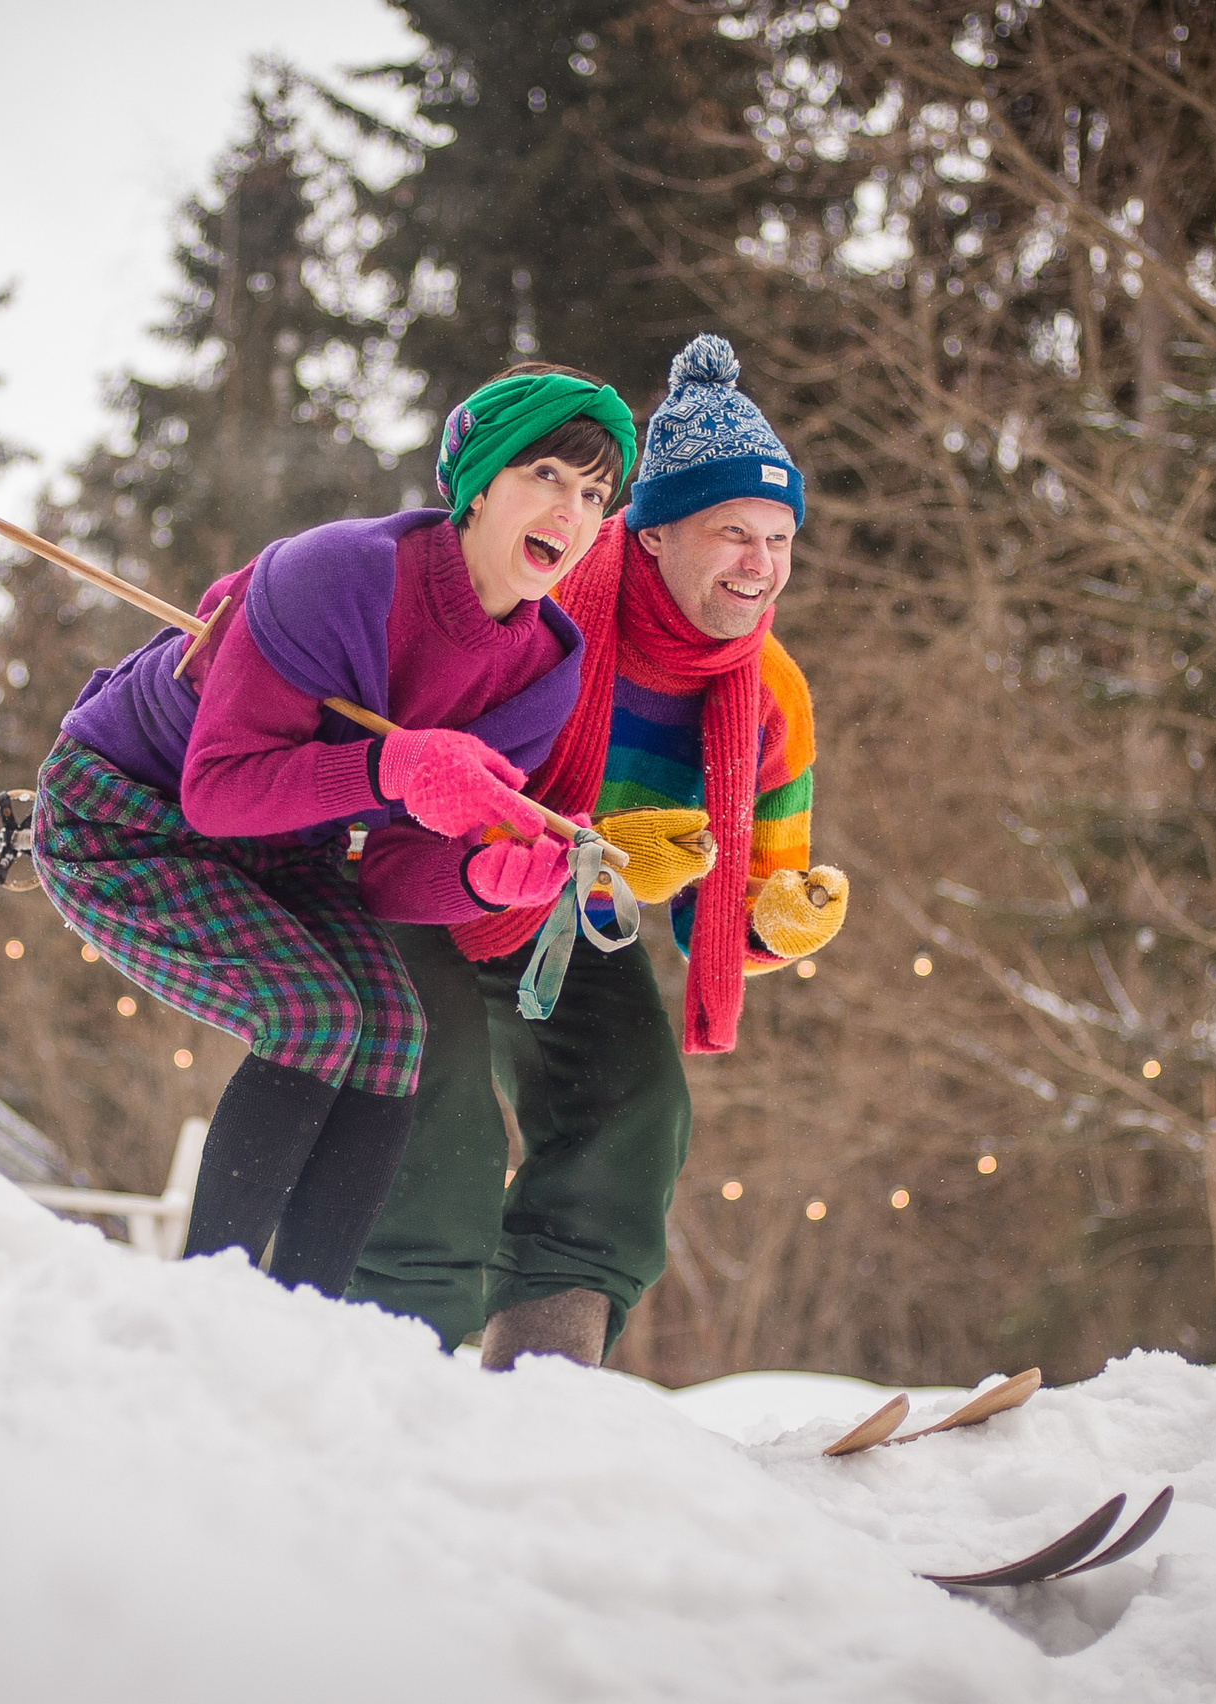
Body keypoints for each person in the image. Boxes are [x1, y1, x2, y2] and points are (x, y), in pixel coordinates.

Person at [32, 366, 636, 1296]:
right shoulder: (339, 575)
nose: (572, 510)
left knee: (393, 1031)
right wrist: (391, 768)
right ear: (479, 482)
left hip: (286, 850)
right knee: (309, 1014)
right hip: (125, 816)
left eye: (595, 494)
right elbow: (217, 792)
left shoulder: (544, 668)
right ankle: (207, 1302)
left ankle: (308, 1320)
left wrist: (482, 880)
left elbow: (391, 877)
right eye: (546, 474)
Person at [349, 334, 850, 1363]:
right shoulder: (536, 603)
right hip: (423, 880)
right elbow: (425, 766)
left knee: (634, 1109)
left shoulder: (773, 699)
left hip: (570, 919)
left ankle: (542, 1375)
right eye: (731, 532)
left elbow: (740, 903)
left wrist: (779, 920)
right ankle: (387, 1374)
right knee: (444, 1125)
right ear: (654, 533)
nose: (760, 565)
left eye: (779, 537)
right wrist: (595, 845)